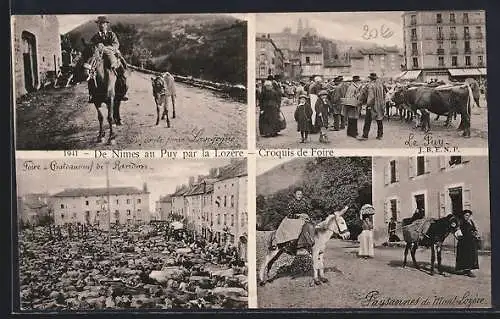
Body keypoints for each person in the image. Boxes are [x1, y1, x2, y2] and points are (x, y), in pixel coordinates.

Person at [88, 16, 129, 103]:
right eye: (100, 24)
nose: (101, 25)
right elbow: (91, 46)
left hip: (111, 54)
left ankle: (123, 92)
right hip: (99, 56)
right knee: (91, 71)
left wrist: (106, 48)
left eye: (103, 23)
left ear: (106, 25)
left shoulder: (112, 34)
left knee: (122, 70)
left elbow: (116, 44)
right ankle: (92, 94)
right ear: (98, 25)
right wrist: (96, 47)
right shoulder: (95, 37)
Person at [358, 73, 385, 140]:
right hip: (380, 105)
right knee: (379, 119)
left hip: (372, 105)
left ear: (370, 78)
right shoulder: (380, 85)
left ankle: (365, 135)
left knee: (367, 120)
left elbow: (371, 97)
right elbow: (384, 95)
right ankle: (380, 135)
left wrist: (368, 104)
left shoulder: (369, 86)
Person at [287, 188, 314, 255]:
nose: (299, 196)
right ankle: (292, 247)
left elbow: (310, 212)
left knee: (311, 227)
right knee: (298, 230)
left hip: (305, 220)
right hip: (294, 220)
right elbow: (289, 215)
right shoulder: (291, 203)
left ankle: (312, 244)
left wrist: (309, 217)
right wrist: (299, 215)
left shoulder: (305, 203)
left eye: (301, 194)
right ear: (295, 195)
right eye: (298, 194)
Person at [455, 209, 480, 277]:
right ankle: (466, 270)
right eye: (466, 215)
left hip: (471, 242)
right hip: (463, 242)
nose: (467, 217)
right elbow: (457, 231)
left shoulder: (471, 221)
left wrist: (475, 233)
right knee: (464, 255)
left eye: (468, 215)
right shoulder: (460, 222)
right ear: (463, 215)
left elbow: (474, 229)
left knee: (471, 256)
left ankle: (469, 270)